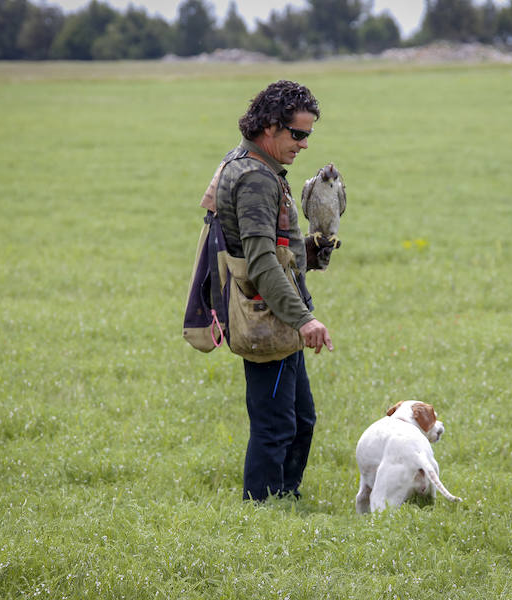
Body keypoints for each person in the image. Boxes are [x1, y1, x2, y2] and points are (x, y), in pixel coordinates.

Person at [215, 80, 335, 501]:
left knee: (301, 419)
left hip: (277, 313)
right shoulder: (255, 178)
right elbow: (261, 260)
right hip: (269, 319)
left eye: (308, 135)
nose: (303, 145)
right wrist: (304, 319)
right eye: (297, 134)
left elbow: (272, 248)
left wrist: (310, 252)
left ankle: (287, 498)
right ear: (270, 126)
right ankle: (263, 508)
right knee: (276, 425)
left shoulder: (250, 164)